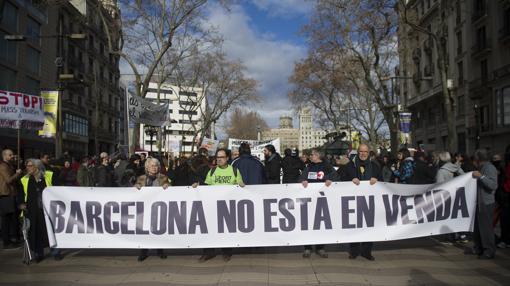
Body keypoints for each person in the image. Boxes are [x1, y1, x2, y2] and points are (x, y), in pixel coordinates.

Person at [193, 149, 244, 262]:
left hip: (228, 206)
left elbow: (240, 187)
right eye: (217, 157)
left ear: (227, 158)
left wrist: (241, 185)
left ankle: (226, 252)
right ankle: (208, 252)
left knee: (226, 230)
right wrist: (198, 185)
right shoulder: (212, 171)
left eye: (221, 157)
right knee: (209, 229)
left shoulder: (234, 171)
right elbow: (206, 188)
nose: (219, 159)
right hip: (213, 206)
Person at [343, 144, 382, 261]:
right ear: (358, 152)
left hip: (370, 201)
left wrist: (377, 179)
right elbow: (340, 179)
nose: (363, 154)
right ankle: (354, 251)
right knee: (354, 226)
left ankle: (366, 251)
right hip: (354, 202)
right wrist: (350, 179)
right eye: (361, 151)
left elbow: (384, 181)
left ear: (368, 153)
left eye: (365, 151)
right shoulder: (350, 165)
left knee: (369, 226)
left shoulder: (375, 166)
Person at [17, 159, 61, 262]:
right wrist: (21, 204)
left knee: (51, 230)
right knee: (35, 232)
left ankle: (55, 252)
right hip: (32, 210)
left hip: (48, 209)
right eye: (27, 166)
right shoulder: (24, 179)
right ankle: (38, 253)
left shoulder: (49, 175)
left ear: (37, 166)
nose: (27, 168)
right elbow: (21, 194)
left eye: (30, 166)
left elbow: (58, 189)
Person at [298, 148, 335, 259]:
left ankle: (320, 248)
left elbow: (336, 176)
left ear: (318, 155)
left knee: (321, 225)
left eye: (312, 154)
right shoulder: (309, 166)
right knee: (308, 224)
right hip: (309, 201)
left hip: (322, 200)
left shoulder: (327, 166)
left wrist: (329, 180)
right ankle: (307, 248)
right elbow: (301, 177)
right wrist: (302, 180)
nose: (310, 156)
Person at [134, 158, 170, 262]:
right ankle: (143, 252)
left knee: (158, 229)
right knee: (144, 229)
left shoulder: (163, 178)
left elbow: (171, 190)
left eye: (156, 166)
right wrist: (136, 187)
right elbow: (136, 191)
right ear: (147, 167)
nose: (154, 168)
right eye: (152, 166)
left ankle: (160, 250)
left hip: (158, 207)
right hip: (145, 209)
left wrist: (168, 186)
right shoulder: (141, 178)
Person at [464, 149, 498, 259]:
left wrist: (481, 176)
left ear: (478, 159)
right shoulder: (482, 168)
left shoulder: (489, 168)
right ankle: (479, 247)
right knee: (478, 227)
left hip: (486, 202)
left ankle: (489, 250)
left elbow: (493, 185)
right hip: (479, 202)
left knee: (486, 228)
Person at [0, 149, 23, 249]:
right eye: (10, 155)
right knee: (6, 219)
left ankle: (12, 239)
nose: (12, 156)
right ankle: (6, 241)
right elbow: (9, 180)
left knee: (12, 217)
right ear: (4, 156)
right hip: (6, 194)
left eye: (12, 155)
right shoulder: (3, 166)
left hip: (11, 194)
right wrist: (17, 174)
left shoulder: (9, 165)